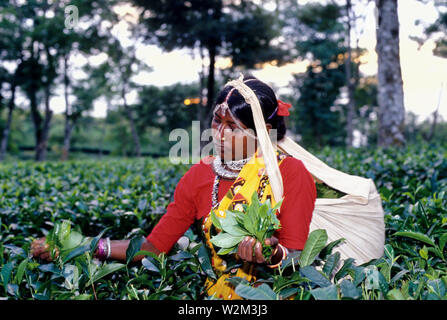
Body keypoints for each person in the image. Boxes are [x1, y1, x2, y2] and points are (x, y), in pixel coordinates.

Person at [31, 75, 317, 300]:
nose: (219, 133)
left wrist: (271, 254)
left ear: (263, 133)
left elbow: (296, 257)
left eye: (233, 127)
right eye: (217, 121)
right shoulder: (199, 176)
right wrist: (84, 247)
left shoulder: (290, 174)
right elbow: (154, 247)